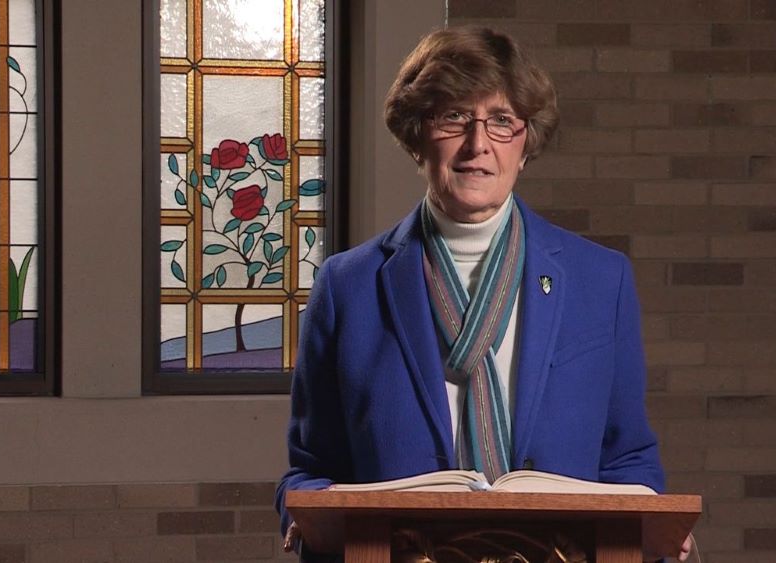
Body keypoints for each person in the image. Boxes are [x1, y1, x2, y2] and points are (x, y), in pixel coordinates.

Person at [276, 26, 691, 561]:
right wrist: (306, 516)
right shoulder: (346, 287)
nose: (478, 145)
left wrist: (656, 523)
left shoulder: (600, 280)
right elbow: (310, 470)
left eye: (500, 120)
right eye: (453, 116)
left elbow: (628, 461)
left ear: (525, 140)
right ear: (417, 134)